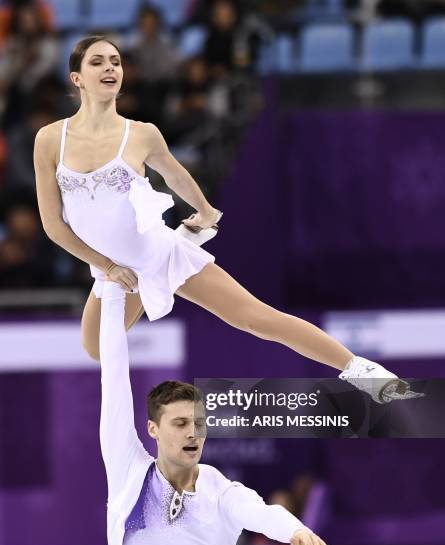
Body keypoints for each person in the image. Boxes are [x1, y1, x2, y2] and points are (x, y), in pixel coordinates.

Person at [33, 35, 418, 404]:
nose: (110, 68)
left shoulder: (142, 134)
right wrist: (108, 267)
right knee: (94, 348)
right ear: (77, 78)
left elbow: (175, 174)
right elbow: (53, 224)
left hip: (158, 254)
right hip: (113, 269)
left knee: (257, 319)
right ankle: (162, 258)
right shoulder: (50, 139)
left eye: (115, 61)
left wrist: (204, 210)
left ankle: (364, 372)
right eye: (97, 62)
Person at [99, 280, 331, 545]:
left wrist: (293, 529)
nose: (193, 433)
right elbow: (113, 374)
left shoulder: (221, 493)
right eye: (180, 424)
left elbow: (262, 513)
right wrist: (109, 287)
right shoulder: (128, 472)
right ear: (153, 429)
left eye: (198, 424)